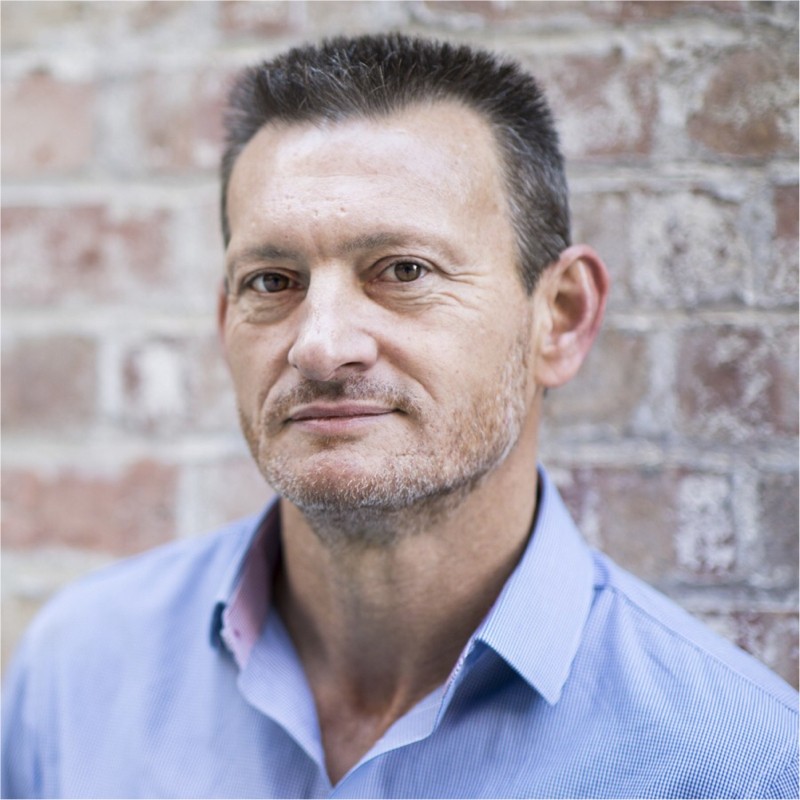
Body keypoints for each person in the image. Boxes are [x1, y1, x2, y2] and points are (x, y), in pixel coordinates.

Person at [2, 33, 797, 799]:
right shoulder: (79, 677)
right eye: (272, 282)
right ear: (224, 322)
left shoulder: (738, 767)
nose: (320, 346)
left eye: (404, 271)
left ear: (558, 318)